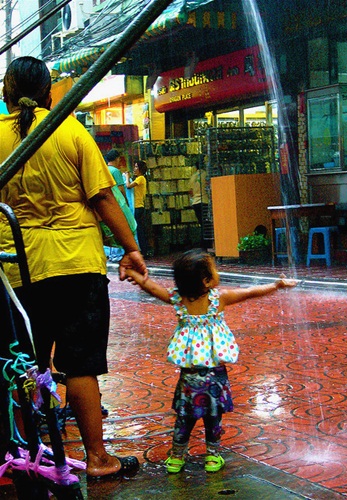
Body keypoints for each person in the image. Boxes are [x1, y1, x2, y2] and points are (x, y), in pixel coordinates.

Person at [0, 56, 148, 479]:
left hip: (16, 269)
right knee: (80, 364)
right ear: (50, 94)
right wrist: (131, 248)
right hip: (76, 263)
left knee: (26, 365)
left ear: (6, 96)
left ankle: (32, 454)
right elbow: (102, 198)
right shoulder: (69, 130)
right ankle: (99, 459)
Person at [125, 249, 297, 473]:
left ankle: (177, 458)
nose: (218, 272)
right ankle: (212, 457)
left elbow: (152, 288)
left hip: (190, 376)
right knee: (213, 417)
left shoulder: (179, 300)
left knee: (185, 417)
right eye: (214, 269)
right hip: (215, 375)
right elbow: (250, 292)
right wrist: (277, 286)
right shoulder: (219, 299)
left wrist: (134, 274)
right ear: (206, 280)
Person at [103, 149, 139, 262]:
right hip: (118, 203)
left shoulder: (104, 169)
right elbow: (121, 189)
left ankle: (112, 254)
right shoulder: (115, 171)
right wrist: (126, 203)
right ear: (116, 158)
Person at [125, 160, 148, 256]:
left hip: (138, 206)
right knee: (139, 228)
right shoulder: (139, 179)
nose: (134, 169)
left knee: (138, 229)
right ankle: (142, 249)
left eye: (136, 167)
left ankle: (143, 249)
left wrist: (127, 177)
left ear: (140, 169)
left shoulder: (141, 178)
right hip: (138, 206)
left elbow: (128, 186)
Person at [188, 162, 209, 249]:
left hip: (196, 202)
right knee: (207, 224)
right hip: (205, 201)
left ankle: (203, 244)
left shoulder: (193, 177)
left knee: (202, 223)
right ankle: (206, 244)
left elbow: (190, 192)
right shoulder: (206, 175)